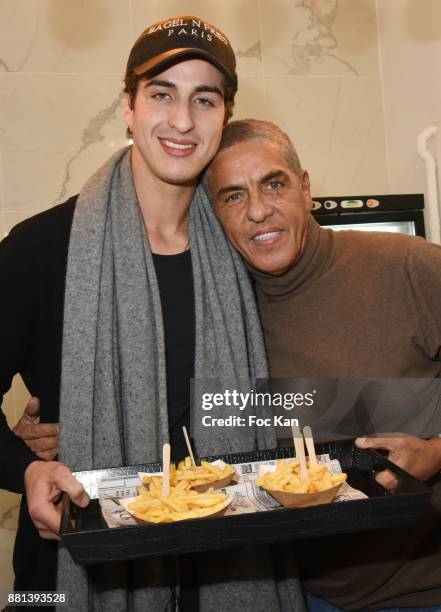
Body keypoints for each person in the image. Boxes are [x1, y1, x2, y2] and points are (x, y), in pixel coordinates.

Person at [0, 23, 304, 612]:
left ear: (226, 114)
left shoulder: (244, 249)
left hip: (226, 563)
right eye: (162, 94)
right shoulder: (40, 248)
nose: (183, 121)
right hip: (67, 559)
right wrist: (23, 469)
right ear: (128, 108)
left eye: (204, 99)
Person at [207, 119, 441, 611]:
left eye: (274, 184)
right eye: (232, 196)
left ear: (305, 188)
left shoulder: (408, 267)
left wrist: (437, 451)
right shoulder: (217, 319)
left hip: (421, 590)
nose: (257, 210)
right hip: (290, 593)